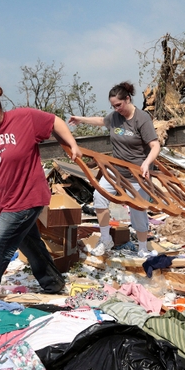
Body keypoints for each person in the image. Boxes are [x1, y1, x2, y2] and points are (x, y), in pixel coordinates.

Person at [0, 85, 81, 311]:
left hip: (28, 196)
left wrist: (73, 144)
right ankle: (52, 282)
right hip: (4, 201)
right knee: (29, 242)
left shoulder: (24, 118)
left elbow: (55, 121)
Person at [68, 81, 160, 258]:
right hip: (116, 171)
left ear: (128, 99)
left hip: (137, 174)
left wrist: (147, 163)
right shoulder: (115, 117)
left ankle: (142, 247)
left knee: (138, 209)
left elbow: (155, 145)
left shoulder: (142, 119)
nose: (117, 109)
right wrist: (80, 119)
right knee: (99, 197)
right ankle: (106, 239)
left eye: (119, 105)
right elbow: (102, 121)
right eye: (113, 106)